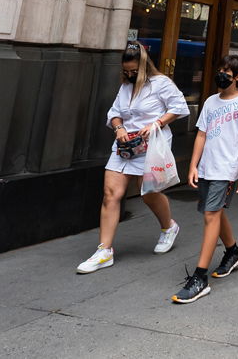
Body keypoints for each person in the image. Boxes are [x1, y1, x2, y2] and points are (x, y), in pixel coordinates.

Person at [77, 42, 190, 274]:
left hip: (151, 144)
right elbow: (115, 113)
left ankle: (169, 227)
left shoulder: (161, 84)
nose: (129, 75)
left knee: (148, 192)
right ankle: (104, 251)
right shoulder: (125, 87)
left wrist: (156, 123)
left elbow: (179, 107)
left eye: (133, 72)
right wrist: (118, 128)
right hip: (125, 146)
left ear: (144, 66)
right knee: (111, 193)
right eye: (125, 72)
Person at [173, 55, 238, 304]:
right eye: (220, 69)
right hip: (207, 167)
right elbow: (201, 134)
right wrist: (193, 166)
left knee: (211, 216)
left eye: (226, 71)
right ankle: (233, 251)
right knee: (215, 212)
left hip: (226, 169)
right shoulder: (210, 102)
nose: (221, 74)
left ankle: (200, 278)